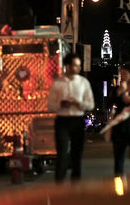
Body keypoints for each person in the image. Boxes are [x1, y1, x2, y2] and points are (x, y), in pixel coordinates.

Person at [47, 53, 95, 183]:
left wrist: (80, 104)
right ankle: (59, 185)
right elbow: (50, 106)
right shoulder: (58, 83)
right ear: (67, 66)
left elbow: (91, 104)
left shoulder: (83, 83)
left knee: (77, 154)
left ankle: (75, 185)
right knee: (62, 153)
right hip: (62, 120)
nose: (78, 68)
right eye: (75, 65)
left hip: (78, 120)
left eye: (79, 65)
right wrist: (60, 104)